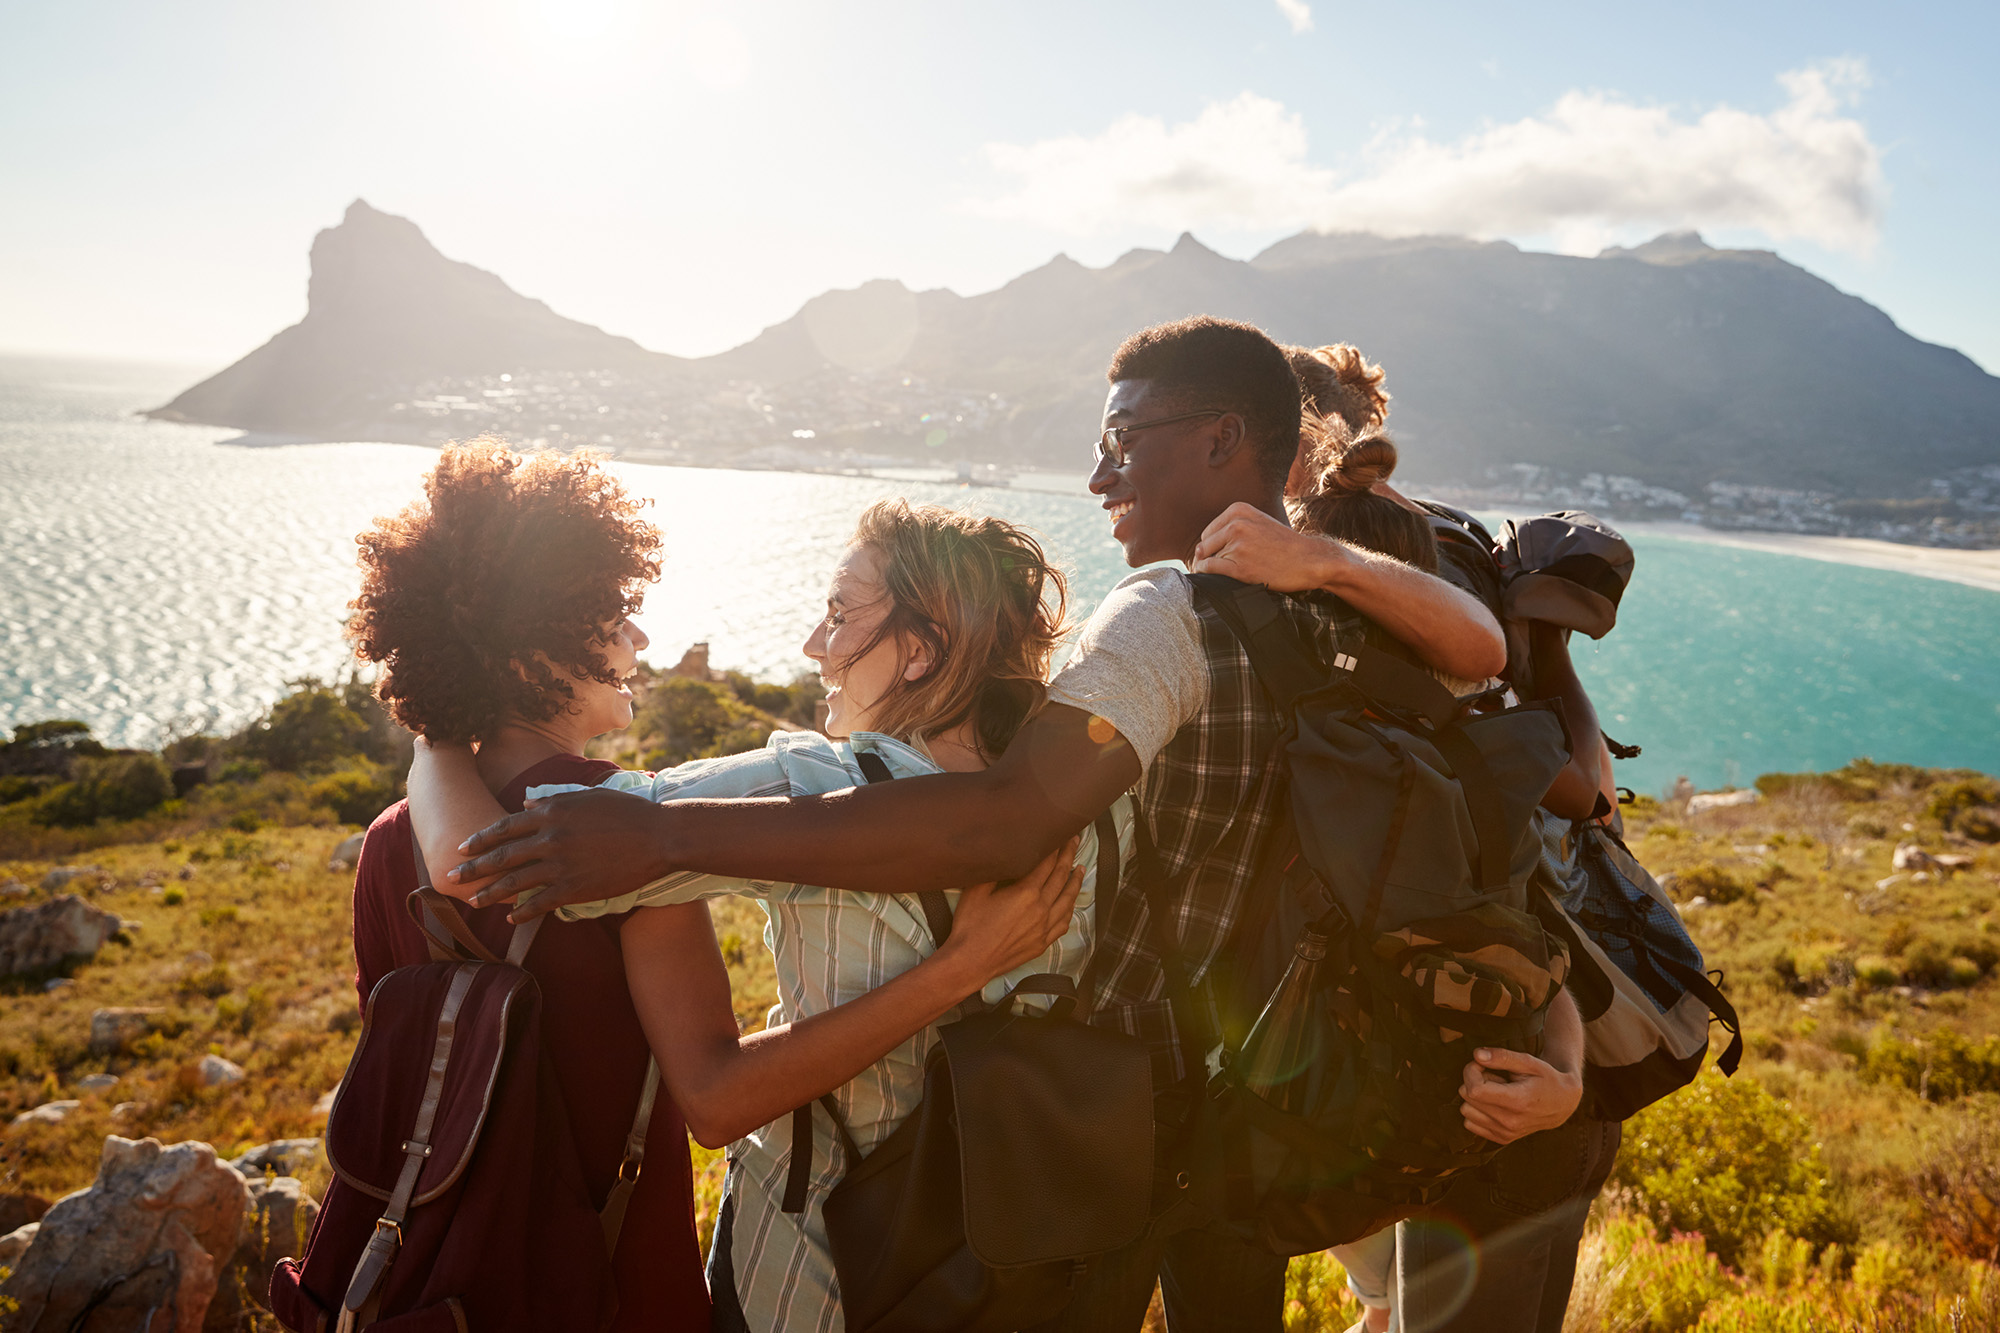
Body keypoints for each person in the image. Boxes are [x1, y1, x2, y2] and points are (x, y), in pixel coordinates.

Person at [439, 317, 1584, 1333]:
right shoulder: (1372, 623)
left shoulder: (1164, 615)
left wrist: (669, 839)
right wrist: (1328, 559)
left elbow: (1001, 822)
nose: (1096, 476)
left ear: (1223, 439)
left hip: (1130, 1114)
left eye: (1123, 439)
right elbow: (1489, 703)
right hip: (1308, 1096)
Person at [347, 445, 1080, 1332]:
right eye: (611, 613)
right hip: (615, 1276)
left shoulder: (399, 840)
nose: (641, 639)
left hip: (440, 1271)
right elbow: (717, 1093)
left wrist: (432, 736)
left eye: (838, 615)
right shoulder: (621, 846)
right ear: (535, 637)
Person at [1239, 353, 1626, 1333]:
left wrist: (1542, 660)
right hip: (1459, 1097)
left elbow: (1567, 830)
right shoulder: (1318, 586)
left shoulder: (1394, 593)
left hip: (1507, 1105)